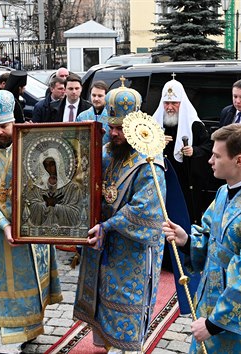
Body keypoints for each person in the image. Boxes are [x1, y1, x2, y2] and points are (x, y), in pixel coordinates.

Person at [163, 124, 241, 353]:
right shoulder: (225, 192)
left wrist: (213, 325)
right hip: (214, 306)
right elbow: (211, 238)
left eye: (216, 155)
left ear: (239, 161)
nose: (210, 161)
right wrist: (188, 240)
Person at [0, 89, 63, 354]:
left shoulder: (30, 145)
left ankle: (28, 330)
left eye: (4, 126)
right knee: (3, 287)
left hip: (30, 231)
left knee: (29, 283)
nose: (0, 132)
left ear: (14, 122)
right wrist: (3, 224)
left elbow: (48, 183)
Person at [73, 82, 167, 352]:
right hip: (101, 246)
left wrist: (107, 225)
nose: (113, 134)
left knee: (125, 307)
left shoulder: (149, 161)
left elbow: (145, 210)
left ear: (135, 126)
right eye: (111, 127)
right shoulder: (105, 152)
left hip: (130, 250)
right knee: (100, 303)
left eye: (120, 129)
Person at [153, 77, 212, 224]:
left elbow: (208, 146)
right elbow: (141, 149)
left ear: (182, 103)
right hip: (161, 181)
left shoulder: (194, 125)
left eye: (174, 103)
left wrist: (194, 151)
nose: (170, 107)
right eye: (166, 103)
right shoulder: (153, 124)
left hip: (185, 181)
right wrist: (156, 143)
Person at [25, 148, 84, 226]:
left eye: (52, 164)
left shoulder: (72, 188)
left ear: (59, 164)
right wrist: (46, 204)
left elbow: (76, 213)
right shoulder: (37, 188)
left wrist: (56, 206)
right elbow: (30, 208)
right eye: (46, 165)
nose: (49, 168)